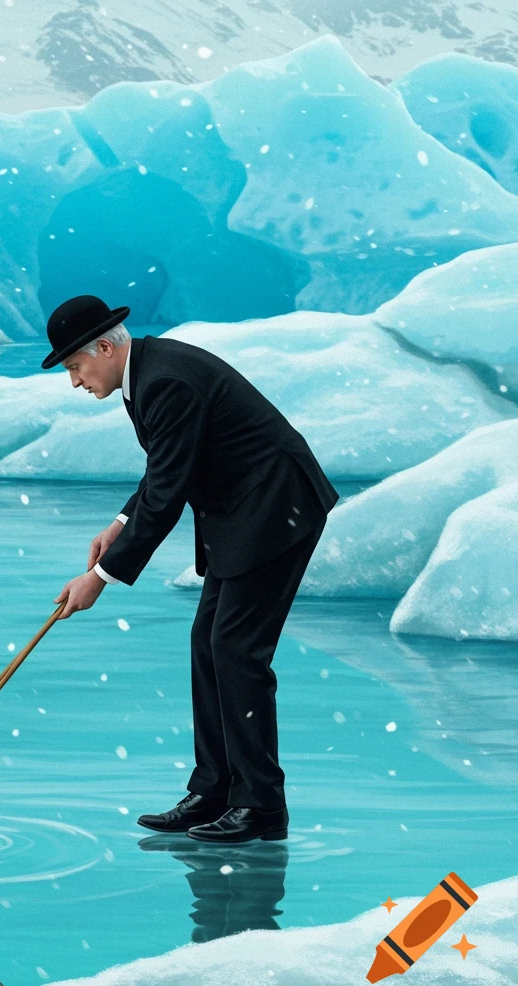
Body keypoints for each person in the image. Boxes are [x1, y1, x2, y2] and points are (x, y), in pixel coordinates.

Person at [43, 294, 339, 844]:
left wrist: (100, 579)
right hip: (243, 511)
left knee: (236, 650)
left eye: (75, 366)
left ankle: (261, 806)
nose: (75, 381)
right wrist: (119, 522)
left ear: (105, 348)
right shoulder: (147, 375)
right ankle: (215, 790)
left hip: (275, 508)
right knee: (209, 642)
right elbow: (165, 467)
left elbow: (168, 494)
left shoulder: (165, 381)